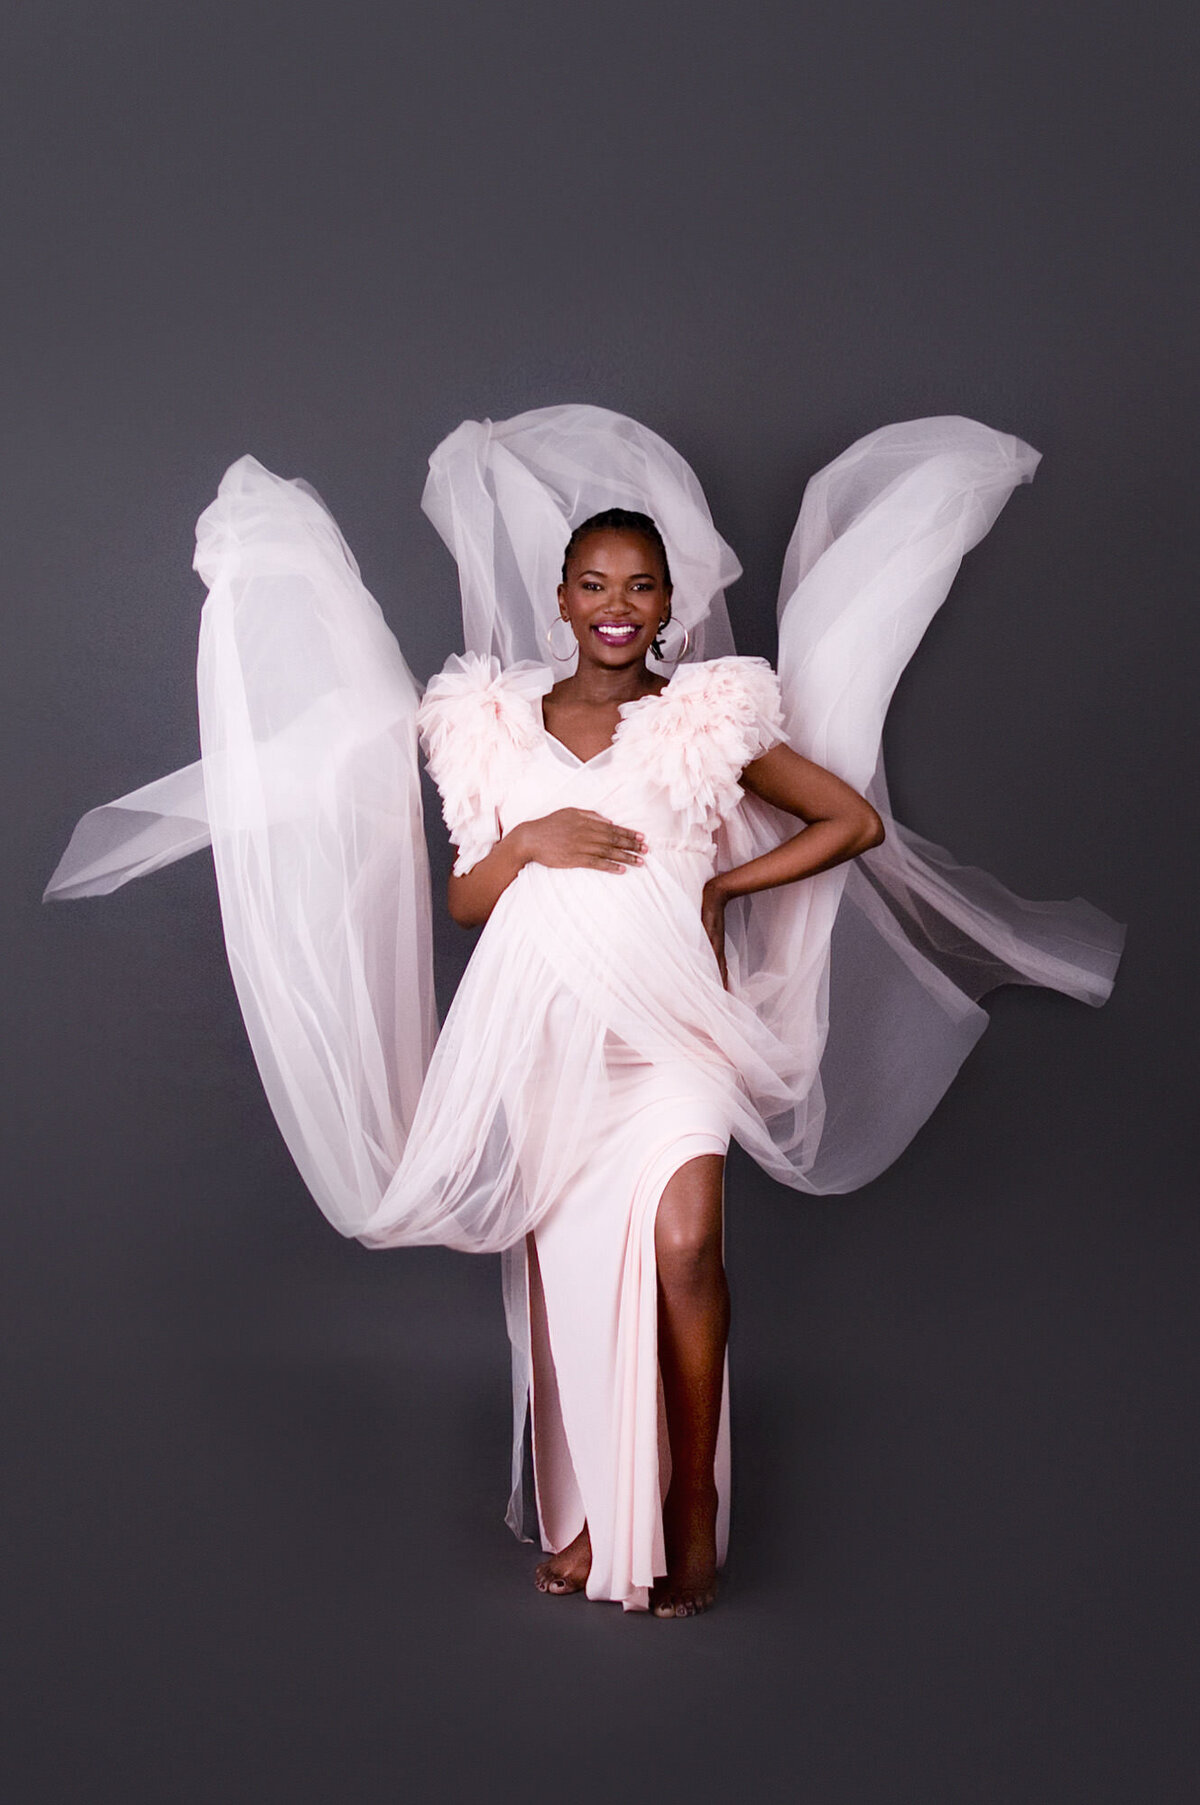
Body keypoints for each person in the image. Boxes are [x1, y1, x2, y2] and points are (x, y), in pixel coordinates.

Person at [43, 405, 1124, 1619]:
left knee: (684, 1246)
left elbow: (850, 822)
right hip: (546, 1032)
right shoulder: (489, 723)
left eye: (644, 585)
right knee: (571, 1281)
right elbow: (461, 901)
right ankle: (604, 1518)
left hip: (674, 1028)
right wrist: (532, 844)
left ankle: (695, 1504)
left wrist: (719, 882)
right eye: (596, 582)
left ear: (670, 606)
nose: (620, 603)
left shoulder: (703, 717)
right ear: (560, 598)